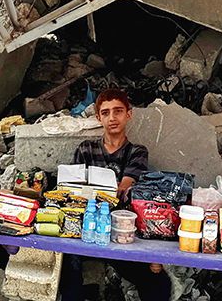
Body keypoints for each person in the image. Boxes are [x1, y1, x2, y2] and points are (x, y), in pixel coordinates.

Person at [59, 89, 170, 301]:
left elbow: (123, 187)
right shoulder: (86, 149)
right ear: (98, 117)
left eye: (118, 111)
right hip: (85, 227)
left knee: (157, 281)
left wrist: (93, 190)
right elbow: (72, 191)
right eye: (106, 112)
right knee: (68, 266)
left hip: (122, 232)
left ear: (129, 114)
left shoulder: (137, 151)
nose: (112, 118)